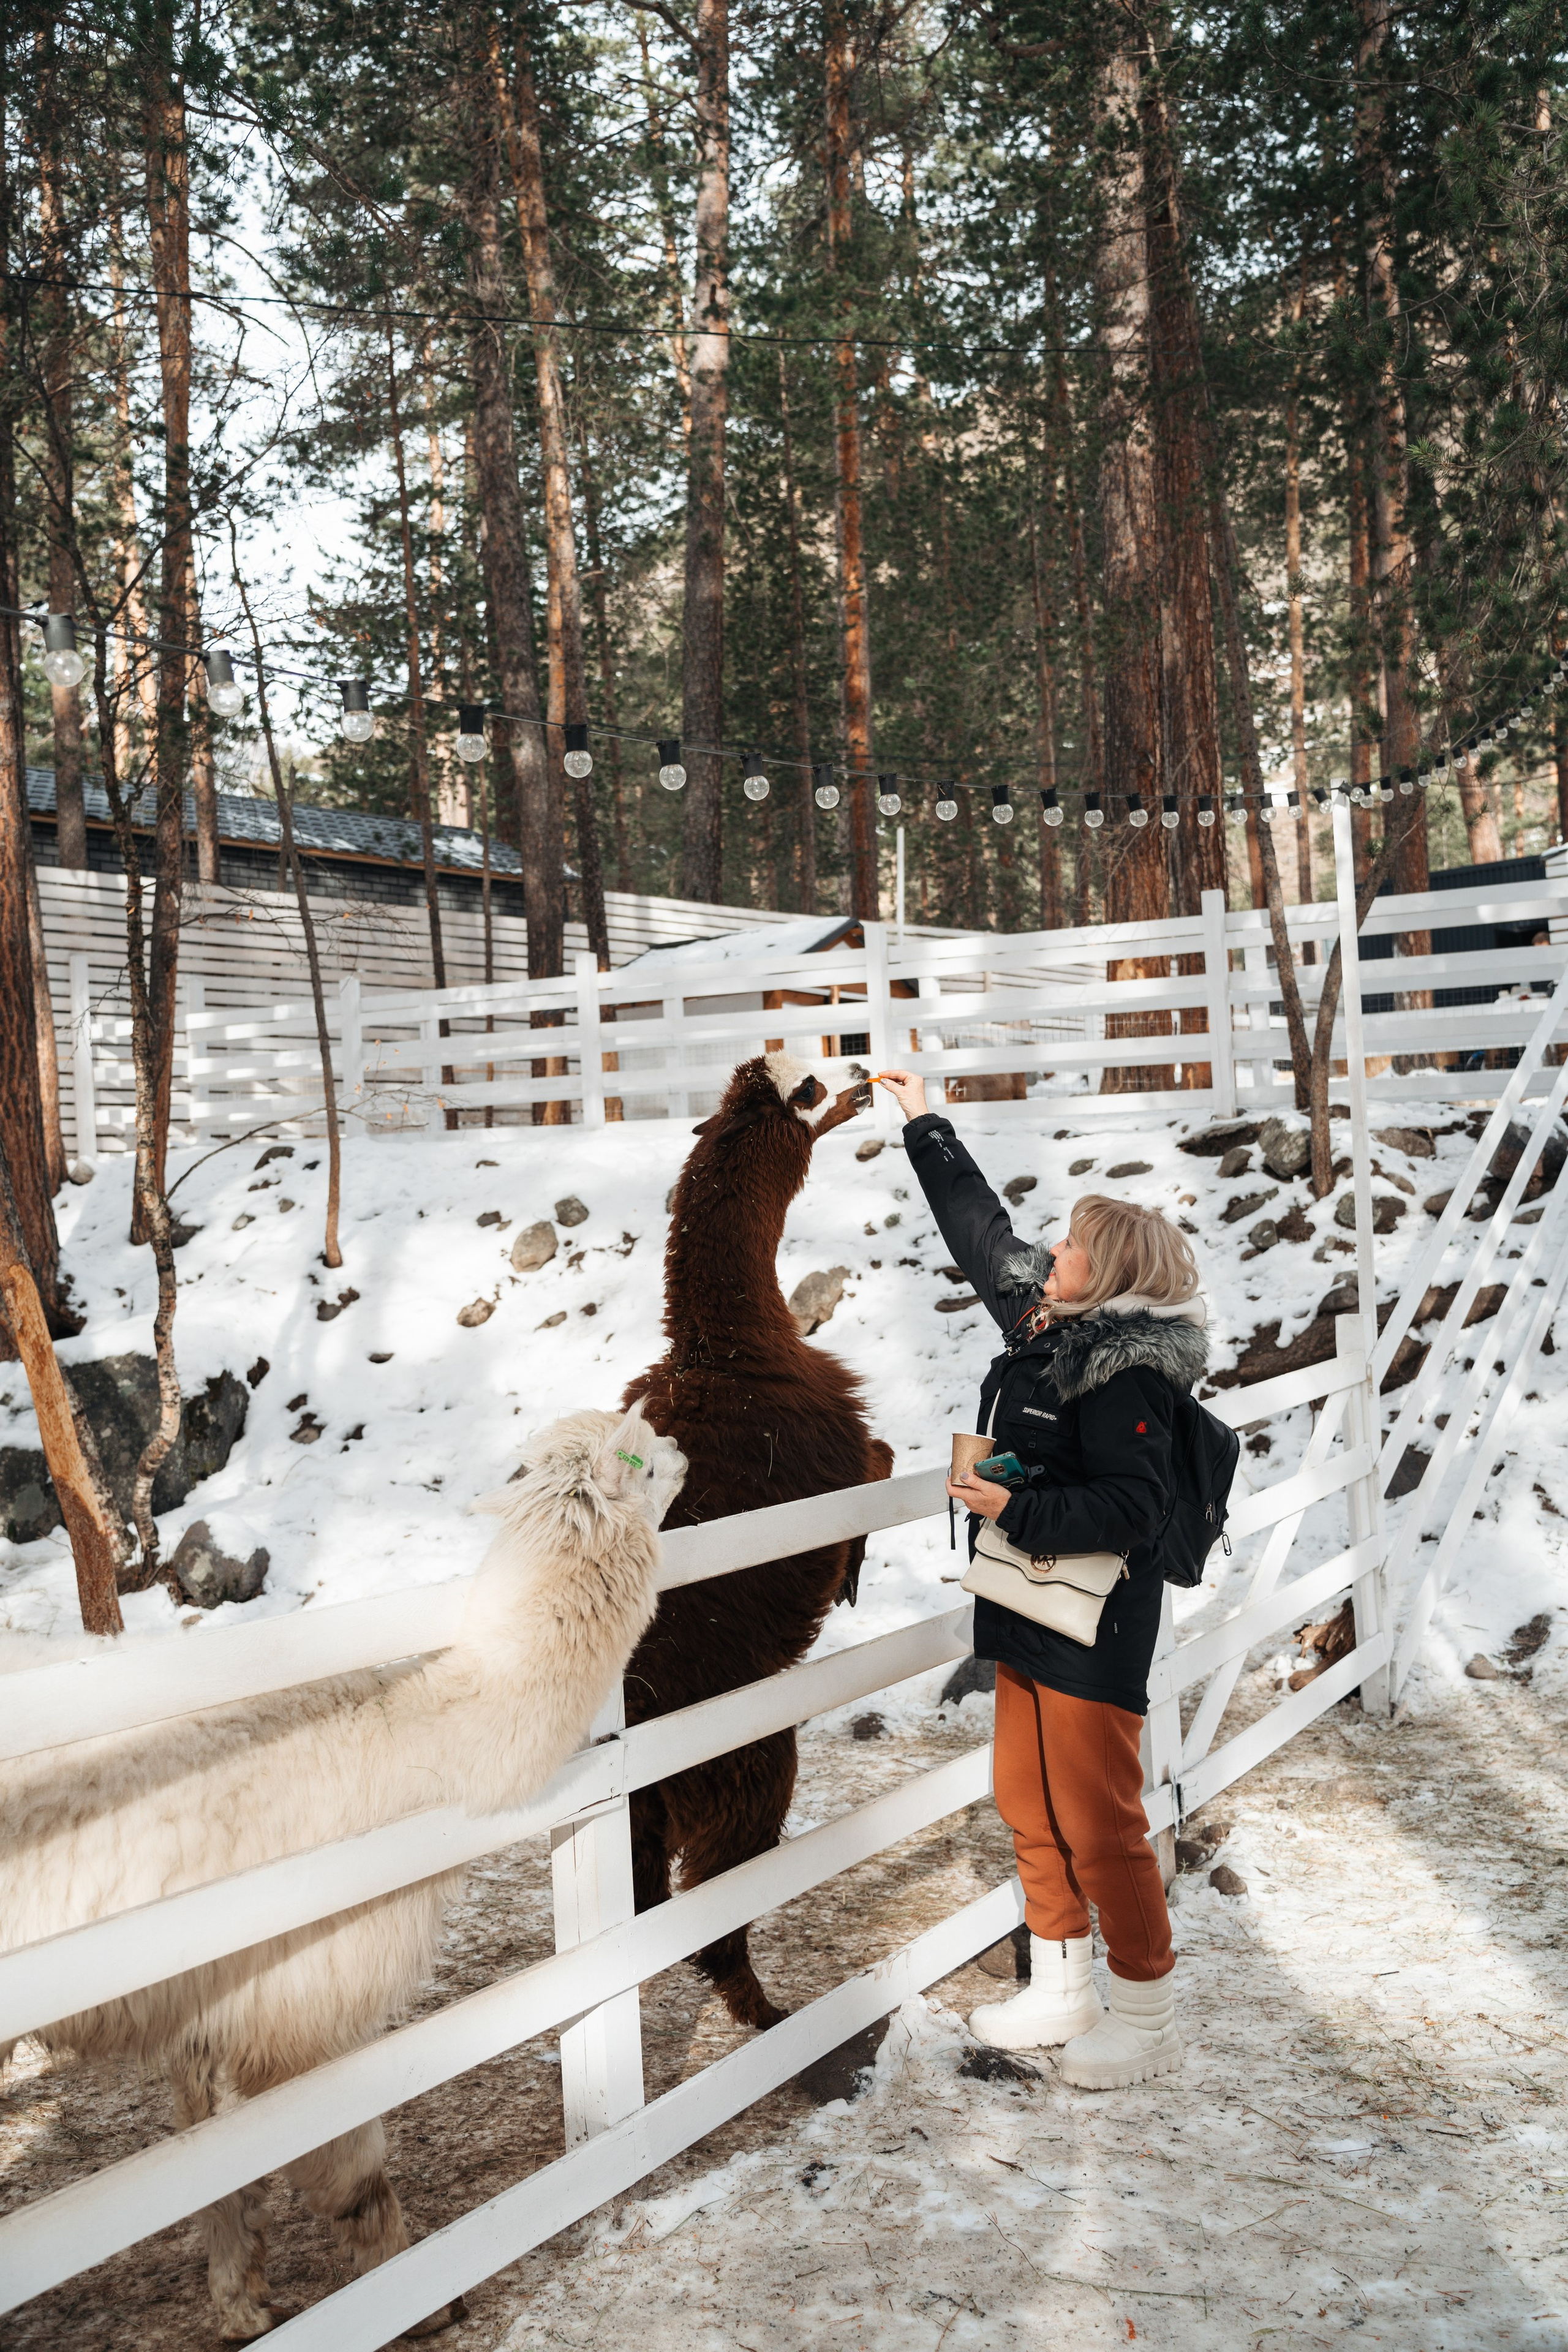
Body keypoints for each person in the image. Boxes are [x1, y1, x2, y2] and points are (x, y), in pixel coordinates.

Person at [876, 1069, 1207, 2090]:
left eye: (1069, 1246)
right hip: (1028, 1601)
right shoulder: (1046, 1326)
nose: (1050, 1253)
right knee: (1027, 1798)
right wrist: (923, 1121)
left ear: (1106, 1276)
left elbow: (1132, 1507)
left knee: (1101, 1821)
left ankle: (1146, 2015)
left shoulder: (1126, 1371)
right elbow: (982, 1235)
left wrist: (1011, 1507)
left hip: (1094, 1623)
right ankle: (1063, 1986)